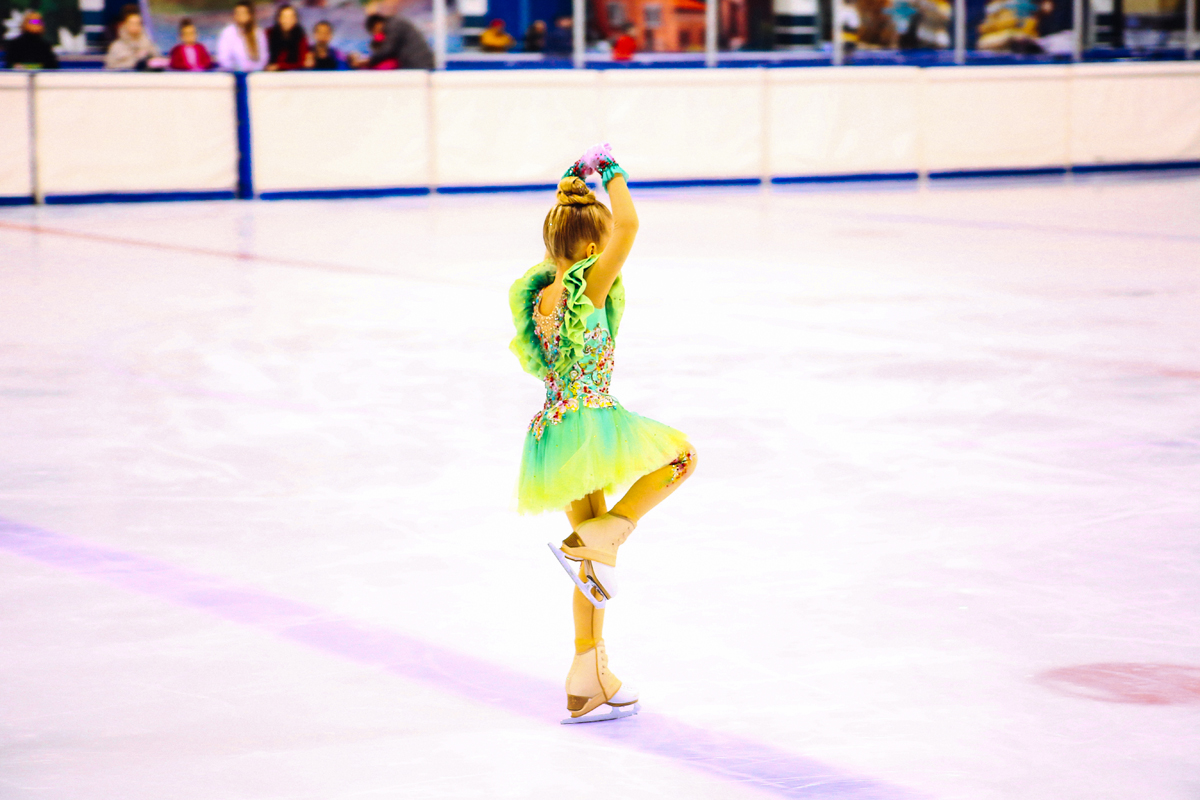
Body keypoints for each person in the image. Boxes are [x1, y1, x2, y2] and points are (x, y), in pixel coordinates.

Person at [509, 144, 697, 723]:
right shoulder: (588, 288)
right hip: (590, 419)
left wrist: (575, 192)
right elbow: (631, 225)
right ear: (593, 250)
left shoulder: (541, 294)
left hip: (554, 431)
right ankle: (613, 530)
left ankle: (586, 675)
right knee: (682, 458)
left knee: (592, 566)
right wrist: (611, 175)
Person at [368, 1, 434, 69]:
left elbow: (388, 50)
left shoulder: (394, 25)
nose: (377, 33)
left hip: (419, 65)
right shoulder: (395, 23)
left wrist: (370, 61)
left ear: (377, 24)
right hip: (418, 64)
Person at [217, 0, 269, 71]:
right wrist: (238, 69)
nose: (240, 16)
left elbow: (263, 57)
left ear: (250, 15)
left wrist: (253, 69)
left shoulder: (258, 32)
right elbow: (223, 58)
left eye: (243, 13)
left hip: (255, 73)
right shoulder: (228, 32)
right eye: (237, 13)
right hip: (234, 72)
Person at [266, 4, 308, 70]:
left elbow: (302, 62)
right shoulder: (269, 34)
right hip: (269, 73)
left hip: (294, 73)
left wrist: (279, 66)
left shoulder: (301, 36)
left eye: (291, 17)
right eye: (284, 17)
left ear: (296, 19)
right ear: (278, 19)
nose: (288, 20)